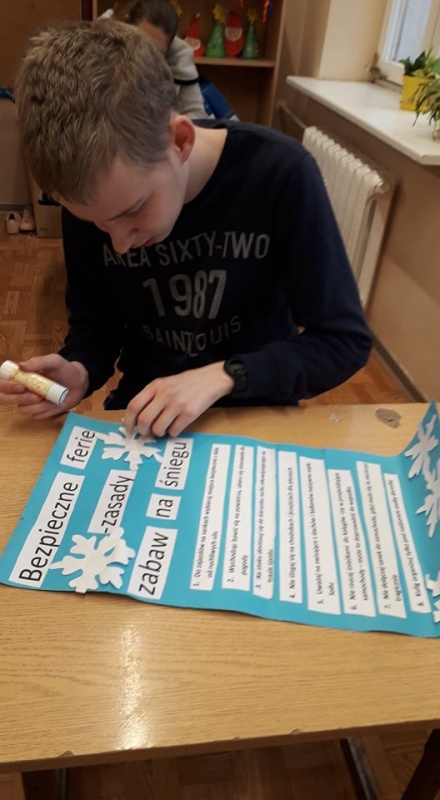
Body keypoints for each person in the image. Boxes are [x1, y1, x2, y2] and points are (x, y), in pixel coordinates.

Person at [2, 20, 372, 438]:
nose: (120, 244)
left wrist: (225, 375)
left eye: (134, 210)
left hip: (256, 412)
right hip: (145, 419)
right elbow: (98, 323)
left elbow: (343, 342)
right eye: (97, 224)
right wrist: (80, 367)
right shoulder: (92, 194)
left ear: (180, 141)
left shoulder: (280, 174)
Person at [123, 0, 207, 119]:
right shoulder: (103, 47)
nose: (145, 55)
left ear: (169, 48)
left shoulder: (178, 58)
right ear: (125, 24)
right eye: (140, 42)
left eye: (157, 52)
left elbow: (196, 116)